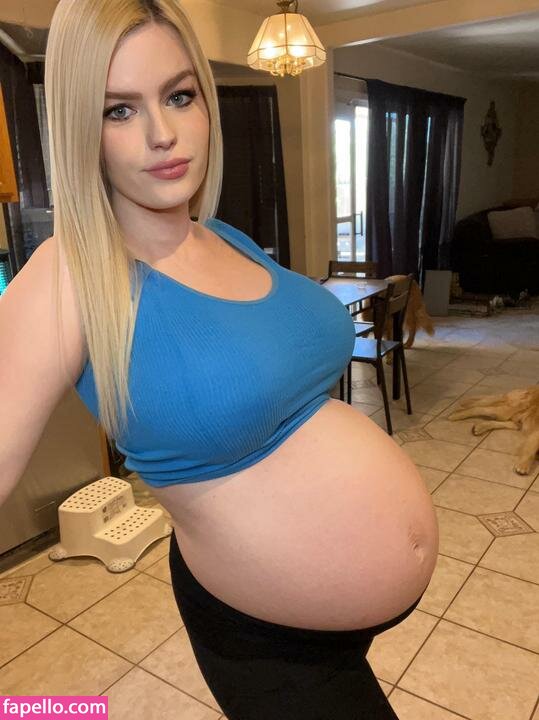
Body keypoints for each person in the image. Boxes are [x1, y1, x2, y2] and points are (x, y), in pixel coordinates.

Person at [0, 1, 439, 717]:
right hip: (265, 641)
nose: (162, 133)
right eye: (119, 110)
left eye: (179, 96)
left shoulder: (223, 235)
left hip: (330, 620)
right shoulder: (69, 273)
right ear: (81, 127)